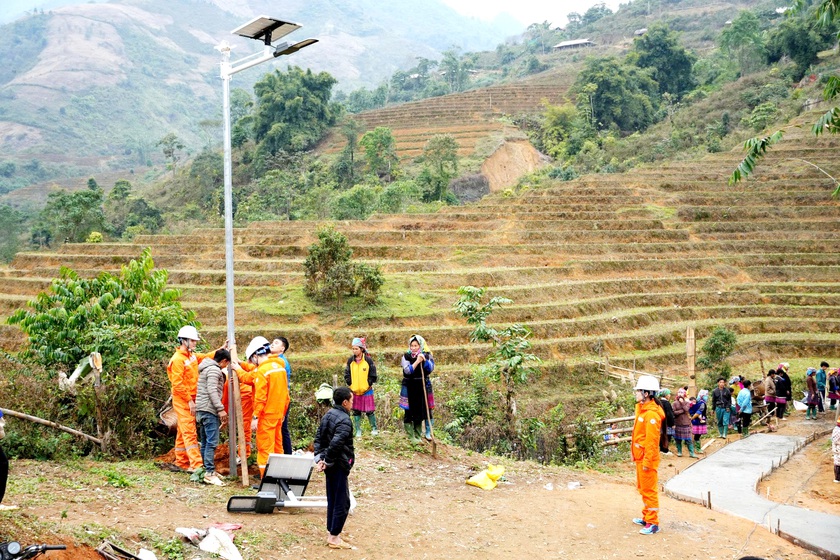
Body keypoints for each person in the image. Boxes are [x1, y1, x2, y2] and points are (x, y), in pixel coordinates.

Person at [166, 325, 223, 473]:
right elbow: (177, 384)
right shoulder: (178, 360)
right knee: (189, 431)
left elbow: (204, 357)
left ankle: (181, 460)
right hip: (184, 400)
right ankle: (197, 465)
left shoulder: (190, 356)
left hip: (191, 398)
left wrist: (219, 350)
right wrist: (190, 401)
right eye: (193, 341)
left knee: (183, 430)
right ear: (184, 341)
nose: (195, 343)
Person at [314, 386, 356, 550]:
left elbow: (318, 438)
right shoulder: (344, 420)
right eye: (351, 400)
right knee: (342, 502)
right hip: (337, 464)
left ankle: (331, 532)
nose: (353, 403)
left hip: (330, 464)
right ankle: (334, 537)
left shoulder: (328, 415)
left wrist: (320, 459)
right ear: (345, 402)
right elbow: (336, 444)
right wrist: (327, 460)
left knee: (333, 498)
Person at [247, 336, 290, 478]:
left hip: (266, 416)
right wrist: (283, 413)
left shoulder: (262, 371)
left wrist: (255, 417)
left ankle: (267, 481)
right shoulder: (280, 367)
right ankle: (280, 478)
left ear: (255, 356)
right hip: (278, 415)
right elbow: (286, 395)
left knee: (265, 449)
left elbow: (260, 397)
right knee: (278, 448)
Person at [631, 375, 664, 535]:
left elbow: (651, 442)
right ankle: (646, 517)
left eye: (638, 390)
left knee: (649, 490)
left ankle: (653, 522)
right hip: (640, 456)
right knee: (643, 488)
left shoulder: (651, 415)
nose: (636, 393)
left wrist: (647, 462)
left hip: (647, 458)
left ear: (646, 393)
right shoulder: (643, 409)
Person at [195, 348, 231, 486]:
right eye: (226, 364)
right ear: (223, 361)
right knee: (212, 442)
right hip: (209, 410)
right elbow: (212, 390)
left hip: (201, 410)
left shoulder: (205, 368)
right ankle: (210, 473)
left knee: (205, 442)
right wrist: (220, 409)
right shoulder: (214, 370)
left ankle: (207, 470)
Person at [399, 334, 435, 443]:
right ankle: (411, 436)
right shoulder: (406, 356)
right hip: (409, 386)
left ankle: (418, 435)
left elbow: (430, 369)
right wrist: (417, 362)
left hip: (421, 385)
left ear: (420, 346)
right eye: (412, 346)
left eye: (416, 345)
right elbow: (407, 371)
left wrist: (423, 361)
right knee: (409, 411)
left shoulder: (426, 355)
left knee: (420, 410)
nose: (413, 348)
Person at [343, 337, 379, 437]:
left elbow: (373, 374)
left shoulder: (368, 360)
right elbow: (347, 373)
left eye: (356, 348)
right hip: (354, 391)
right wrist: (350, 383)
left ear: (362, 349)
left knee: (370, 411)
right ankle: (358, 430)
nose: (354, 351)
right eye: (353, 349)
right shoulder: (351, 361)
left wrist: (368, 383)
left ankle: (374, 428)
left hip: (366, 390)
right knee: (356, 411)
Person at [271, 337, 293, 455]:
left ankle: (287, 455)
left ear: (282, 349)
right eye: (272, 342)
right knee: (280, 429)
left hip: (281, 400)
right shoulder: (276, 360)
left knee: (281, 429)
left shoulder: (281, 362)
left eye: (276, 343)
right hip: (280, 399)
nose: (272, 344)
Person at [672, 388, 695, 458]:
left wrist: (682, 403)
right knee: (678, 439)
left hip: (686, 423)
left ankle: (691, 453)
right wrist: (682, 411)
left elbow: (687, 409)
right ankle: (679, 452)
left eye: (681, 393)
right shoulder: (674, 403)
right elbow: (673, 412)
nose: (680, 394)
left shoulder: (687, 402)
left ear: (684, 394)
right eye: (679, 392)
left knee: (689, 439)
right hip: (678, 423)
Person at [658, 389, 675, 455]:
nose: (669, 395)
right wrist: (672, 423)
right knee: (667, 436)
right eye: (669, 394)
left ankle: (661, 448)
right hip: (667, 423)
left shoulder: (659, 402)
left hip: (661, 422)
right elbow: (669, 414)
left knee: (662, 435)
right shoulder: (667, 403)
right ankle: (665, 449)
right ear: (665, 395)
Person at [833, 416, 840, 483]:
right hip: (838, 448)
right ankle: (837, 478)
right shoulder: (837, 430)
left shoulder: (836, 429)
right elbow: (835, 441)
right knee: (838, 463)